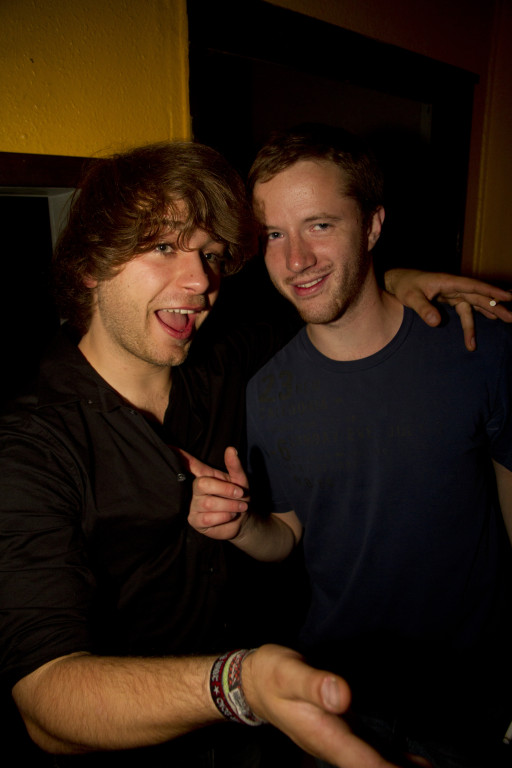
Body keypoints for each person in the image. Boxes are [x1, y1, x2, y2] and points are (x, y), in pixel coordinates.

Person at [1, 139, 510, 768]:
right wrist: (239, 685)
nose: (201, 282)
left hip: (264, 742)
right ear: (89, 264)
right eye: (163, 247)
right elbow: (46, 699)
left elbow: (333, 305)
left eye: (210, 254)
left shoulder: (224, 364)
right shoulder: (31, 448)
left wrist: (398, 280)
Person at [187, 124, 512, 768]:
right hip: (339, 690)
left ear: (372, 226)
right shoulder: (266, 389)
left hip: (467, 692)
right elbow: (288, 532)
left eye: (320, 225)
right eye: (273, 235)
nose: (295, 260)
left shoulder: (477, 346)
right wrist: (240, 526)